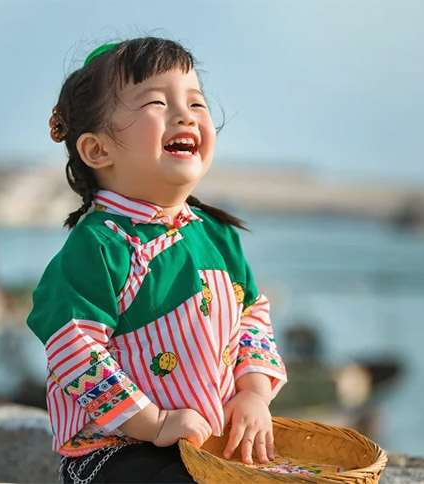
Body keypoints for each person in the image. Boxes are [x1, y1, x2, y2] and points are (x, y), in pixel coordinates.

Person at [26, 37, 287, 484]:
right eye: (156, 102)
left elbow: (251, 318)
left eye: (195, 102)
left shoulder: (216, 234)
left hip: (203, 447)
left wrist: (253, 393)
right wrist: (155, 422)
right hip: (116, 453)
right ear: (97, 150)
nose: (185, 114)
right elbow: (75, 350)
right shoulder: (99, 246)